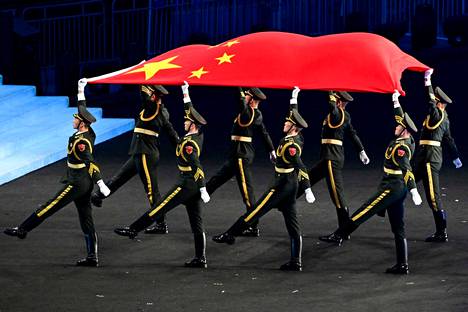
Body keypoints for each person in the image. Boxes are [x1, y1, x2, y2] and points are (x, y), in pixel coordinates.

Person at [4, 79, 111, 267]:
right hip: (83, 182)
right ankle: (92, 257)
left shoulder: (82, 143)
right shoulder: (89, 133)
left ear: (82, 124)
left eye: (75, 119)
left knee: (50, 205)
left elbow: (91, 163)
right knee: (85, 217)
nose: (73, 120)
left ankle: (23, 229)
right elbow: (82, 107)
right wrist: (80, 89)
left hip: (77, 182)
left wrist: (102, 184)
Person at [319, 90, 423, 274]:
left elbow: (407, 169)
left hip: (392, 187)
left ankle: (339, 235)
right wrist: (395, 101)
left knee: (363, 211)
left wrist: (414, 190)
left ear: (404, 130)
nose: (395, 127)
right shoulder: (409, 140)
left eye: (398, 126)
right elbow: (400, 117)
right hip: (397, 188)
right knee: (398, 227)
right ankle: (402, 264)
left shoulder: (401, 148)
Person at [212, 87, 315, 272]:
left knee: (255, 211)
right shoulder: (295, 136)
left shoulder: (292, 145)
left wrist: (307, 188)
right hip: (289, 186)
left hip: (281, 186)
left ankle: (230, 234)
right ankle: (296, 261)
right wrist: (294, 96)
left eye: (287, 122)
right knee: (292, 224)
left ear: (293, 127)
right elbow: (294, 113)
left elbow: (301, 166)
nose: (284, 122)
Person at [114, 82, 211, 268]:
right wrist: (185, 92)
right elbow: (189, 109)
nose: (184, 121)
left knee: (160, 207)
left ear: (193, 125)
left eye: (187, 121)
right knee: (196, 222)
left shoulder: (190, 144)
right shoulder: (197, 135)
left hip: (187, 184)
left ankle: (133, 229)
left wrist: (203, 187)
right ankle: (200, 258)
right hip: (191, 185)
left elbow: (197, 167)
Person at [90, 84, 179, 234]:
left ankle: (161, 223)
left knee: (151, 191)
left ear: (155, 96)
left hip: (146, 154)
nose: (149, 95)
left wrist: (143, 77)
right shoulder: (156, 110)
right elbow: (171, 132)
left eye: (151, 94)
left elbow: (144, 97)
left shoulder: (155, 109)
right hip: (139, 152)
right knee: (119, 177)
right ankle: (99, 196)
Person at [297, 91, 369, 241]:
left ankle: (342, 232)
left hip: (332, 158)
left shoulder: (339, 114)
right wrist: (361, 151)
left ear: (339, 102)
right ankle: (287, 200)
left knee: (337, 194)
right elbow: (353, 134)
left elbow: (332, 107)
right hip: (327, 158)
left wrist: (330, 88)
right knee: (308, 178)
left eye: (336, 100)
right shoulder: (344, 116)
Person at [205, 87, 276, 237]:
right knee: (217, 179)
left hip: (242, 156)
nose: (245, 98)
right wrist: (271, 151)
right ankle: (199, 196)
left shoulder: (251, 113)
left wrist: (238, 85)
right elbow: (264, 133)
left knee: (246, 191)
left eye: (247, 96)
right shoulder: (252, 114)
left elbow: (241, 102)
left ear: (252, 100)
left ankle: (252, 224)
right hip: (235, 155)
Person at [414, 69, 462, 242]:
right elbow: (449, 139)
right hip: (423, 157)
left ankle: (442, 232)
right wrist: (455, 156)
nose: (433, 102)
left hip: (430, 159)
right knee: (404, 181)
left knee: (433, 197)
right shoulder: (442, 117)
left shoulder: (438, 115)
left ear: (439, 103)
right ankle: (385, 207)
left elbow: (430, 102)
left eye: (435, 100)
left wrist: (428, 82)